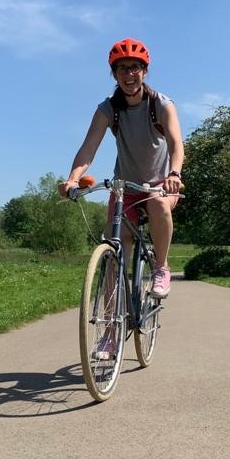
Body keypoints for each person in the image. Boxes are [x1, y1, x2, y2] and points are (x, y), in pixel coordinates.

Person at [58, 37, 185, 300]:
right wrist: (72, 179)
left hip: (160, 184)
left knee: (159, 205)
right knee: (115, 250)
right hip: (125, 186)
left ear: (144, 71)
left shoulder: (161, 105)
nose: (129, 74)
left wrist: (174, 174)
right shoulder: (108, 109)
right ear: (114, 74)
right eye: (122, 68)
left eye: (134, 67)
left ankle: (161, 268)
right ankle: (109, 330)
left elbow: (175, 143)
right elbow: (88, 149)